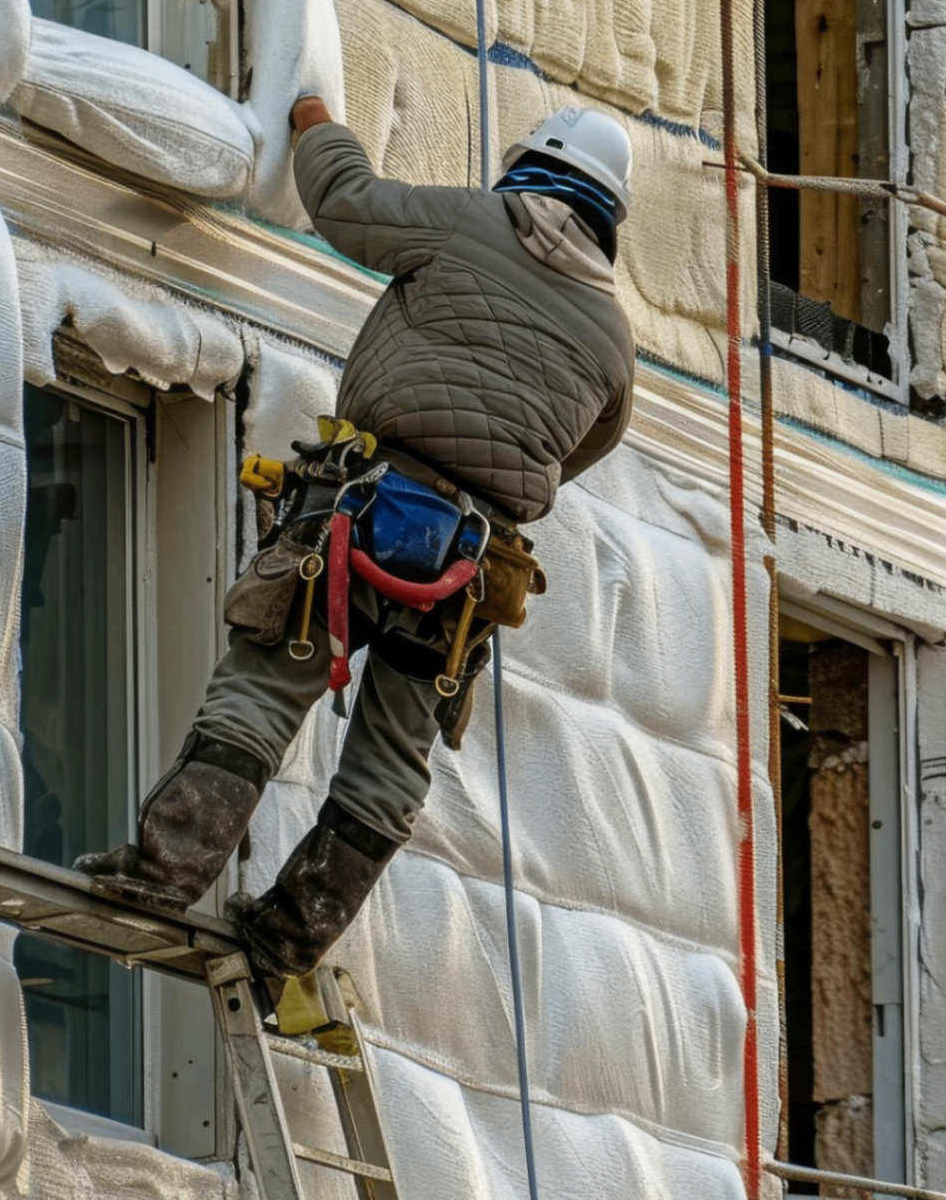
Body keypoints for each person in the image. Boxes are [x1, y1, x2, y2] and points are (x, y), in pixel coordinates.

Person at [75, 95, 636, 980]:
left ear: (533, 165)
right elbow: (586, 445)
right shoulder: (613, 339)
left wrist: (313, 120)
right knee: (391, 752)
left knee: (265, 686)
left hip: (364, 511)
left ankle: (161, 871)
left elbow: (343, 200)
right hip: (468, 568)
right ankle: (292, 935)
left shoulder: (473, 224)